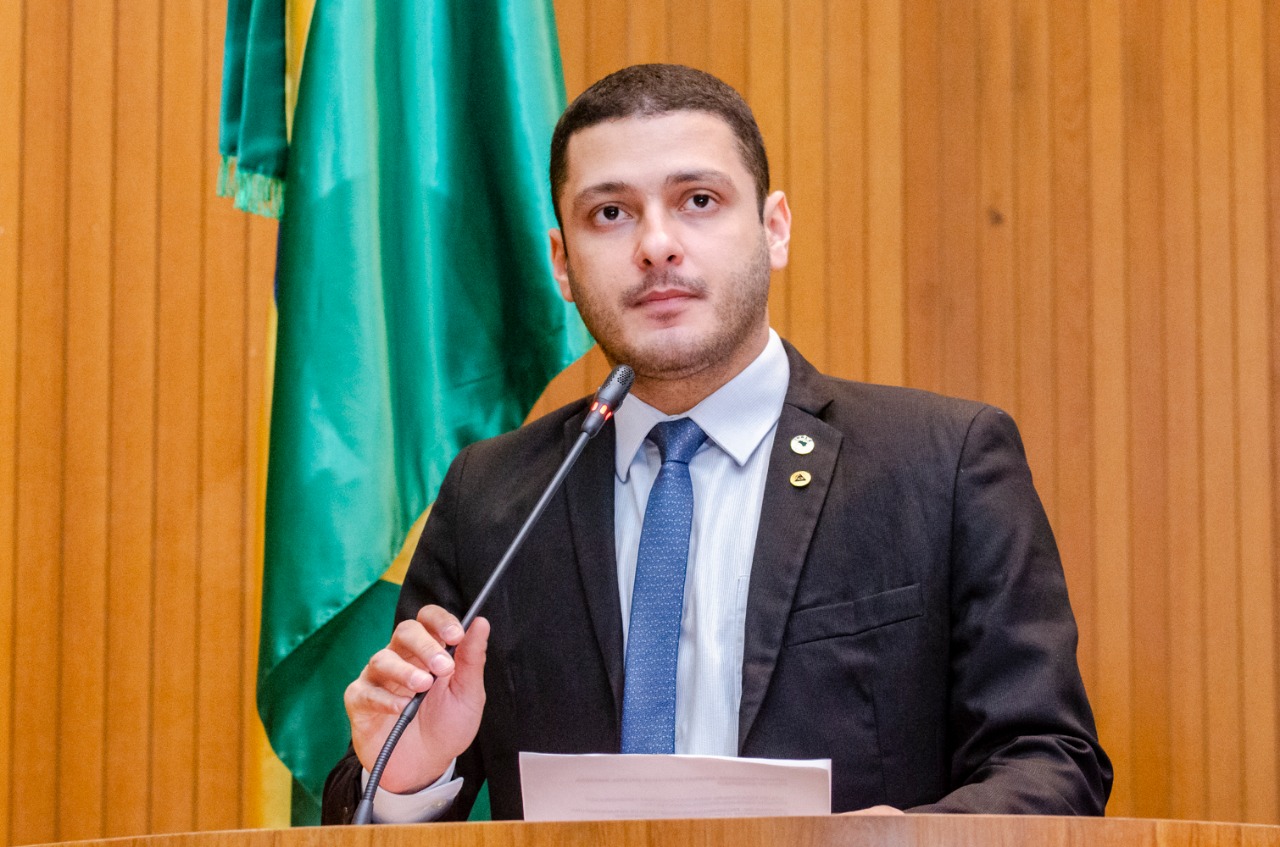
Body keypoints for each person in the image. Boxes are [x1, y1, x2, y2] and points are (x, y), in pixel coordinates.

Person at [322, 63, 1112, 824]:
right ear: (562, 263)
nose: (657, 246)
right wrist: (409, 773)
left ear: (774, 229)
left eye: (698, 200)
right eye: (610, 214)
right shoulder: (491, 496)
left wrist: (903, 837)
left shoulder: (944, 463)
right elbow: (388, 803)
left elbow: (1052, 761)